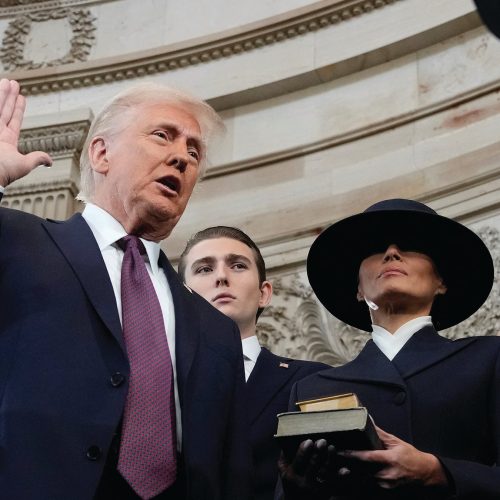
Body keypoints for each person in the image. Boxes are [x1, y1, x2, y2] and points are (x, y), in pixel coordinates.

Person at [0, 79, 251, 499]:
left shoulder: (216, 330)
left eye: (194, 152)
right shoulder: (19, 243)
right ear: (101, 153)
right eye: (162, 136)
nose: (181, 157)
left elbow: (231, 473)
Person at [278, 198, 500, 499]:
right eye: (375, 249)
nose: (391, 253)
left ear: (441, 282)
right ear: (358, 289)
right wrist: (298, 490)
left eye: (410, 246)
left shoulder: (489, 359)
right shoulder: (311, 389)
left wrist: (438, 471)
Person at [178, 226, 328, 500]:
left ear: (264, 293)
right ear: (180, 297)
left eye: (237, 265)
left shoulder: (313, 382)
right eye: (204, 269)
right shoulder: (155, 386)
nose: (222, 277)